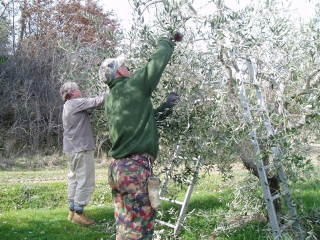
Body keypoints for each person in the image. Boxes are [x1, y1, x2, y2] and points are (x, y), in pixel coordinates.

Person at [102, 33, 182, 239]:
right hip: (135, 170)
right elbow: (156, 65)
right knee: (140, 231)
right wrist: (167, 41)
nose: (128, 68)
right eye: (125, 66)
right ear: (119, 71)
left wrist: (167, 107)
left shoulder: (112, 99)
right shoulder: (133, 86)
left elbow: (144, 122)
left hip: (118, 169)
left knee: (125, 227)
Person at [60, 81, 106, 226]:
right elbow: (98, 101)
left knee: (74, 179)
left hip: (71, 149)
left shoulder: (67, 106)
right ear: (72, 92)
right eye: (78, 89)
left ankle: (72, 212)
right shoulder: (75, 102)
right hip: (81, 148)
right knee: (85, 180)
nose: (80, 91)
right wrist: (112, 87)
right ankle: (79, 214)